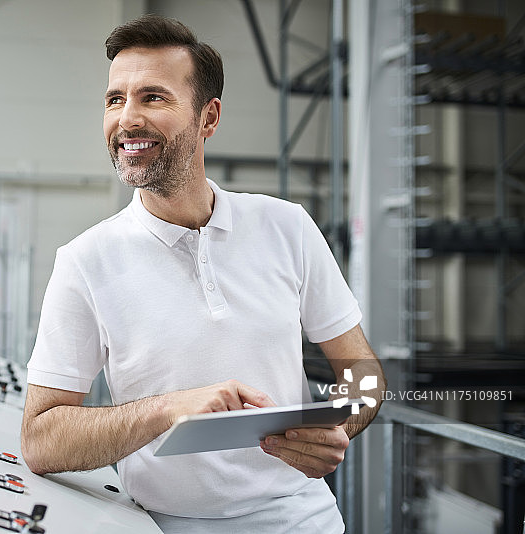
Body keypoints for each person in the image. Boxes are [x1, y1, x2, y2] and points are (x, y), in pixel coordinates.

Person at [21, 14, 385, 534]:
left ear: (207, 118)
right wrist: (167, 410)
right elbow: (40, 438)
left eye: (153, 97)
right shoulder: (85, 261)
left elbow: (364, 374)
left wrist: (338, 426)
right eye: (114, 99)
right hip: (166, 525)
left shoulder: (287, 227)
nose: (127, 119)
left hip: (304, 520)